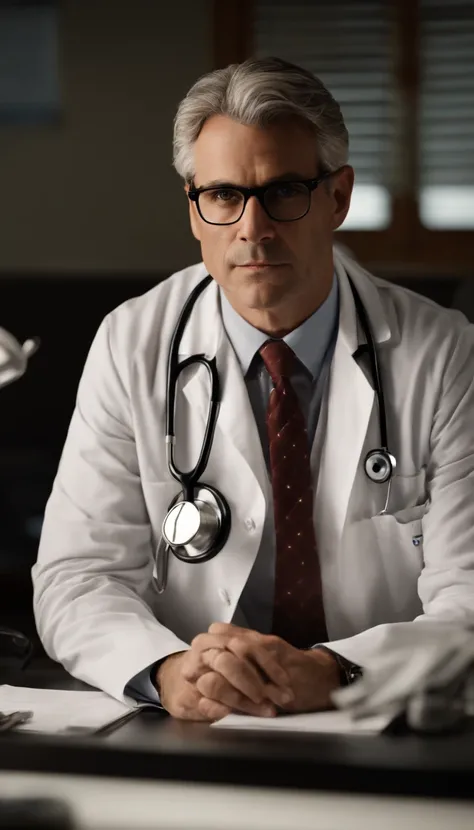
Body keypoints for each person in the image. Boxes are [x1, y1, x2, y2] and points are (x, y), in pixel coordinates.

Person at [32, 57, 474, 722]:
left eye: (285, 191)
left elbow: (469, 598)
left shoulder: (443, 355)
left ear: (338, 198)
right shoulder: (133, 344)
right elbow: (77, 576)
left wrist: (335, 673)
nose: (252, 228)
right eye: (223, 195)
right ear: (193, 207)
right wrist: (167, 669)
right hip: (200, 721)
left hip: (378, 720)